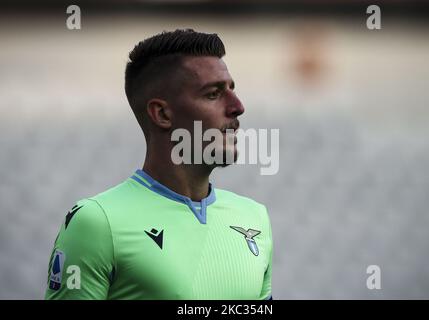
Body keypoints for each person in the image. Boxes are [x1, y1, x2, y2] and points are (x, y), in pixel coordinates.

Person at [45, 29, 273, 300]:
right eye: (213, 94)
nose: (238, 107)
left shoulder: (254, 217)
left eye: (232, 90)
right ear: (162, 114)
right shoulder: (96, 223)